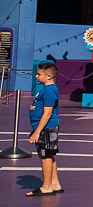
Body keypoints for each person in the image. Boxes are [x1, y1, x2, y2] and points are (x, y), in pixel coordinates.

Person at [26, 63, 61, 197]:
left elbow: (47, 113)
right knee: (49, 154)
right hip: (44, 128)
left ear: (49, 76)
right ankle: (54, 183)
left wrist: (37, 132)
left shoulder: (50, 91)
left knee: (45, 156)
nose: (36, 76)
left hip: (47, 127)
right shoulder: (46, 89)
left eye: (39, 74)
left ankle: (46, 186)